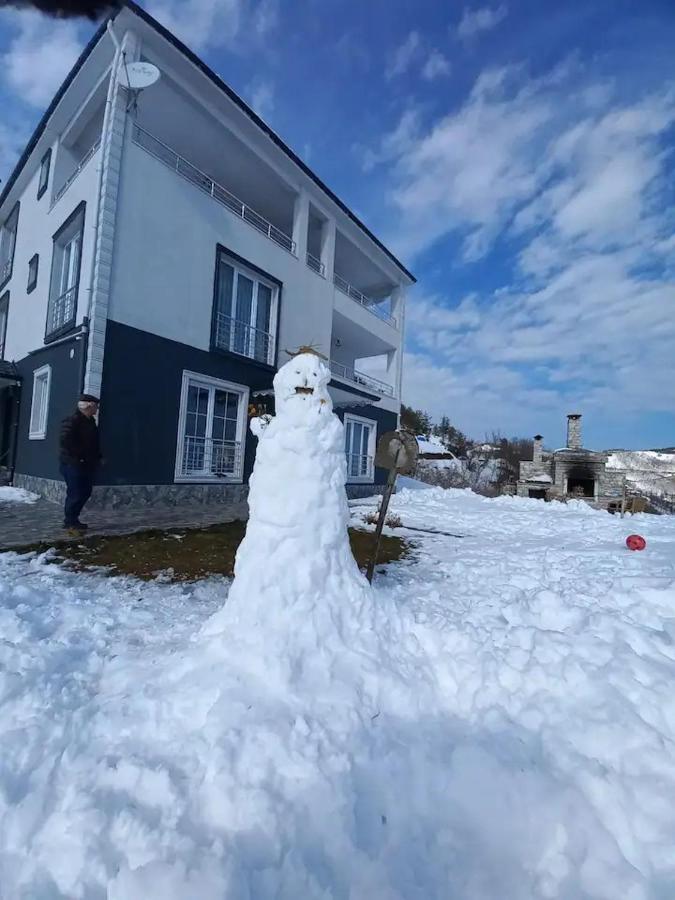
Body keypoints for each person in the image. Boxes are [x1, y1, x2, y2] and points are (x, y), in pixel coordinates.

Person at [59, 393, 102, 535]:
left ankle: (73, 519)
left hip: (86, 464)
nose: (97, 409)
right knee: (75, 493)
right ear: (89, 406)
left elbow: (93, 443)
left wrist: (98, 457)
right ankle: (69, 522)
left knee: (85, 491)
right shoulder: (73, 420)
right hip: (73, 464)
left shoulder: (90, 422)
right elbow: (65, 440)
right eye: (95, 406)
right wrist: (79, 457)